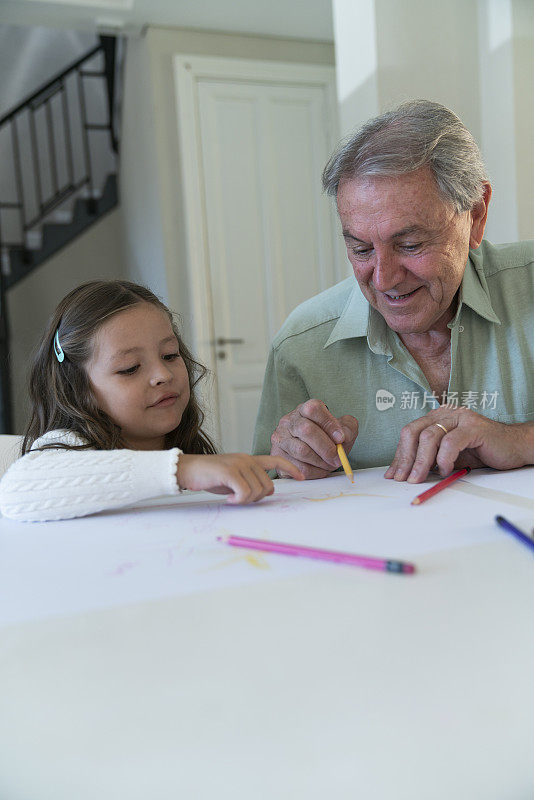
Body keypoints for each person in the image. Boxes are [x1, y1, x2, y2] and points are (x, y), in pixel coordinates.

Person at [253, 100, 534, 483]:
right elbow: (266, 492)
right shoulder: (301, 347)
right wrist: (289, 464)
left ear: (476, 214)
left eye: (411, 244)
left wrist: (520, 440)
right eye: (361, 249)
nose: (383, 280)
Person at [0, 280, 302, 521]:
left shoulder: (185, 444)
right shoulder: (71, 446)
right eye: (130, 368)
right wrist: (183, 470)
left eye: (170, 355)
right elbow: (18, 489)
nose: (162, 374)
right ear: (78, 389)